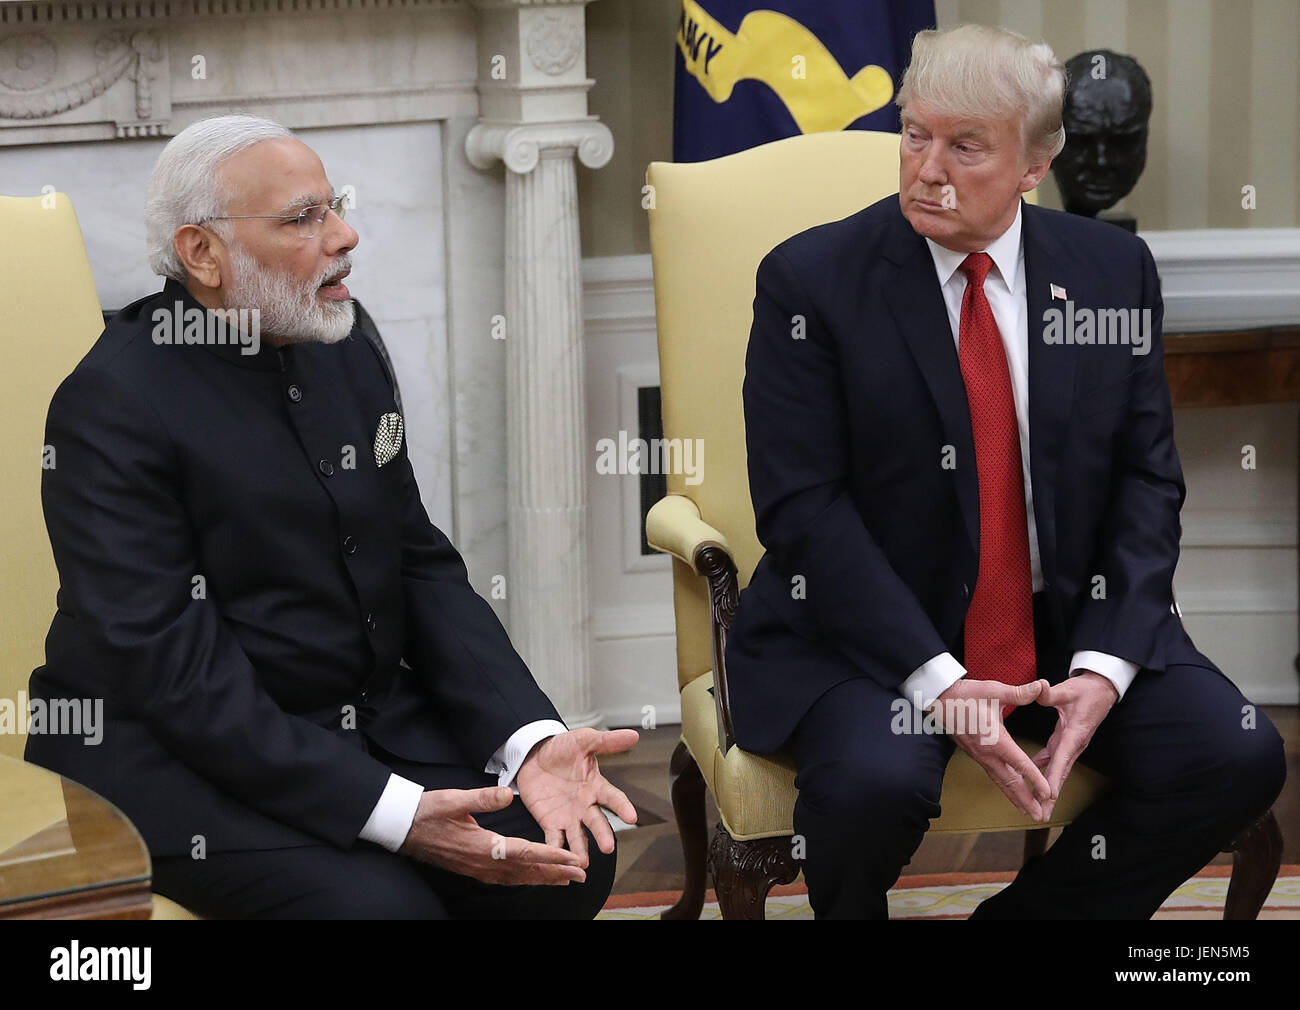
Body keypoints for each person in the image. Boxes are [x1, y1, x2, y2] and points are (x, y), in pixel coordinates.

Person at [724, 24, 1285, 919]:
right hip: (870, 642)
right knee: (872, 785)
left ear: (1035, 162)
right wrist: (940, 683)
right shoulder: (812, 282)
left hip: (1061, 626)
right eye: (915, 134)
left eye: (966, 146)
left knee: (1236, 755)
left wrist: (1103, 667)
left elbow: (1148, 482)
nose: (926, 168)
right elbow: (803, 511)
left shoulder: (1109, 274)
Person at [26, 114, 637, 919]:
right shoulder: (111, 406)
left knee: (568, 860)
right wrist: (395, 815)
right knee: (381, 914)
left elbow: (417, 560)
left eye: (335, 205)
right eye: (303, 218)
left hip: (365, 723)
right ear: (201, 253)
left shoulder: (340, 337)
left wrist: (526, 737)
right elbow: (174, 673)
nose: (345, 235)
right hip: (178, 757)